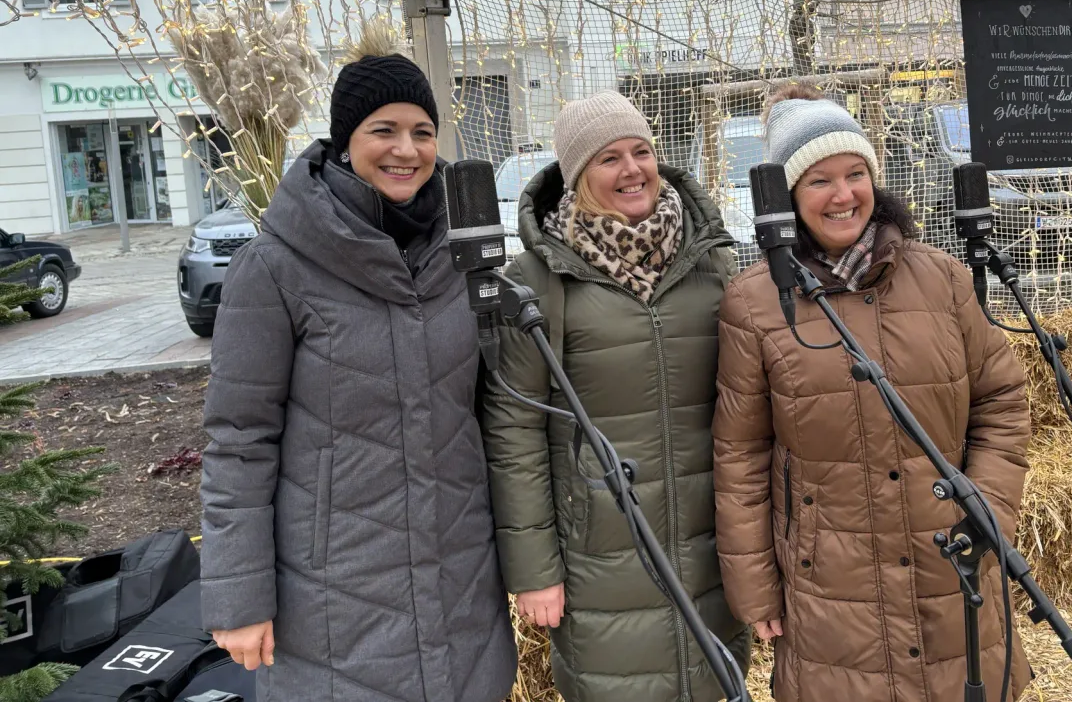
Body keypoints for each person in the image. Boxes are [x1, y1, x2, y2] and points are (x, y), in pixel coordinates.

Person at [200, 51, 518, 702]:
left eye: (422, 132)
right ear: (346, 140)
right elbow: (239, 439)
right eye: (384, 130)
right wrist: (239, 594)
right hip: (336, 605)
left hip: (461, 589)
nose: (407, 148)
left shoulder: (465, 256)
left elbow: (494, 415)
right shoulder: (276, 267)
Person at [712, 85, 1032, 702]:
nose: (843, 195)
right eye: (819, 181)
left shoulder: (941, 278)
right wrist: (754, 586)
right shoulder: (754, 304)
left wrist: (987, 513)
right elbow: (740, 456)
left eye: (855, 173)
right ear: (786, 196)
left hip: (952, 562)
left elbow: (1002, 400)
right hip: (832, 587)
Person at [482, 90, 751, 702]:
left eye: (642, 151)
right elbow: (513, 429)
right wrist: (534, 572)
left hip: (710, 539)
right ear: (577, 177)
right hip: (599, 549)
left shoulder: (711, 262)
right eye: (608, 158)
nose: (632, 170)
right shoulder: (538, 279)